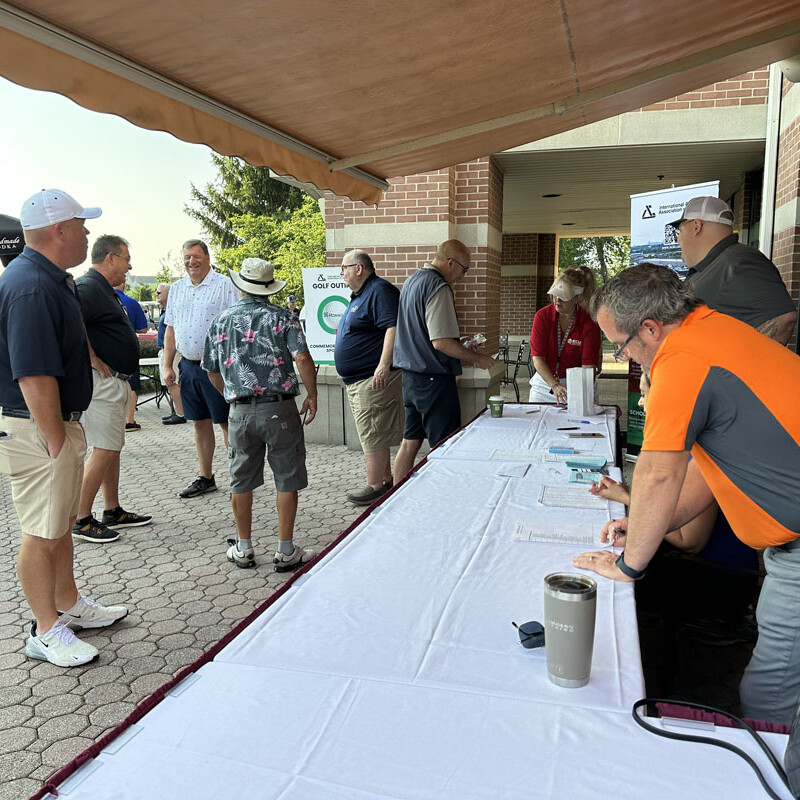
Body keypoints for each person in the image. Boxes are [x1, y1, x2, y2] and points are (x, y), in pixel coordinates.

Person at [573, 263, 800, 724]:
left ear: (651, 329)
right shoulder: (715, 332)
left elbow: (660, 472)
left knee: (768, 698)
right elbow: (702, 474)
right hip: (789, 545)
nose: (629, 358)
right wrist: (642, 528)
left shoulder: (683, 358)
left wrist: (629, 564)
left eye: (623, 346)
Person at [0, 188, 127, 667]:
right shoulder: (31, 284)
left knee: (57, 527)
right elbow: (32, 373)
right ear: (59, 230)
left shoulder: (50, 279)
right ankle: (45, 629)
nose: (87, 232)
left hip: (52, 427)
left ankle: (68, 605)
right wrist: (56, 437)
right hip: (37, 430)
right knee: (40, 532)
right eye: (81, 224)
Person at [203, 258, 318, 571]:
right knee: (287, 476)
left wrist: (232, 394)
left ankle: (244, 547)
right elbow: (303, 358)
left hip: (239, 411)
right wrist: (313, 395)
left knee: (240, 479)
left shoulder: (222, 320)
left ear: (241, 285)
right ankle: (285, 549)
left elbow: (212, 371)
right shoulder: (284, 318)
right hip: (279, 408)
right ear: (269, 288)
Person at [73, 235, 153, 543]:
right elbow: (72, 323)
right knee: (104, 448)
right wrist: (92, 358)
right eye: (125, 258)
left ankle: (112, 509)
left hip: (115, 380)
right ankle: (81, 518)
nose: (129, 265)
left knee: (112, 447)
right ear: (109, 257)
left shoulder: (102, 288)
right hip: (103, 383)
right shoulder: (88, 287)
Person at [393, 239, 495, 481]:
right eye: (464, 269)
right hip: (433, 381)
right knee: (445, 446)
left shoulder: (412, 281)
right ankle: (442, 497)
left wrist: (462, 344)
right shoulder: (438, 287)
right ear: (451, 263)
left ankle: (392, 498)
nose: (463, 276)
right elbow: (440, 343)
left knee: (410, 442)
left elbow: (424, 334)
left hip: (410, 378)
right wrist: (477, 358)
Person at [163, 239, 240, 497]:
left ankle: (239, 477)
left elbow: (236, 324)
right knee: (199, 422)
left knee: (226, 422)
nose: (191, 262)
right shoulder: (177, 288)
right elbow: (170, 329)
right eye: (187, 257)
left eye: (196, 256)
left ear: (207, 257)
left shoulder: (225, 285)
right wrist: (168, 365)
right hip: (188, 366)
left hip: (218, 367)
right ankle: (206, 477)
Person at [671, 195, 796, 344]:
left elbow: (783, 318)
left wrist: (740, 366)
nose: (678, 240)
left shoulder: (739, 262)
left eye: (680, 231)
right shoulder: (717, 264)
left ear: (697, 226)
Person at [334, 249, 402, 505]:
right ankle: (384, 480)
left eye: (344, 267)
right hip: (360, 379)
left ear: (359, 268)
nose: (342, 273)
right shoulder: (361, 294)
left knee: (373, 430)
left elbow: (392, 326)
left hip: (372, 377)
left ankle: (374, 485)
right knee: (374, 430)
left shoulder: (379, 291)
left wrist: (383, 365)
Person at [528, 266, 601, 404]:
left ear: (577, 297)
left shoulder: (589, 322)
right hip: (545, 383)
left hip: (578, 382)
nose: (557, 300)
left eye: (563, 296)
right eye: (555, 294)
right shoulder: (542, 316)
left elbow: (588, 368)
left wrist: (583, 395)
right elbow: (537, 359)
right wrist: (555, 385)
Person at [113, 276, 148, 430]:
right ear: (124, 284)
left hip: (106, 349)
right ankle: (129, 420)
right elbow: (143, 329)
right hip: (128, 347)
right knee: (131, 384)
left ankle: (114, 421)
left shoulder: (101, 299)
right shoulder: (132, 303)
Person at [155, 282, 186, 425]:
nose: (156, 295)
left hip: (171, 351)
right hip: (165, 350)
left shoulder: (173, 311)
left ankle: (180, 412)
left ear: (169, 294)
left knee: (172, 382)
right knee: (170, 383)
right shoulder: (166, 311)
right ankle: (178, 411)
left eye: (159, 292)